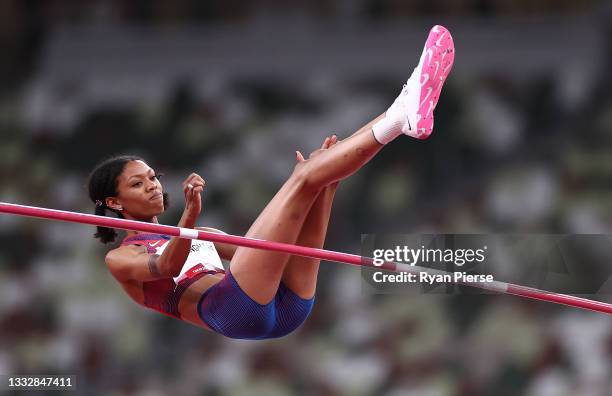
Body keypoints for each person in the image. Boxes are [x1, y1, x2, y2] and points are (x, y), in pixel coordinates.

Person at [86, 25, 455, 339]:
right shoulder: (120, 257)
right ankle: (401, 114)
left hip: (285, 306)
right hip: (231, 310)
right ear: (114, 203)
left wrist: (322, 189)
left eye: (152, 177)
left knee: (319, 174)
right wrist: (189, 218)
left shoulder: (202, 233)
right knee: (306, 176)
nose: (152, 185)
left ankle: (405, 105)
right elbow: (166, 268)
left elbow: (276, 247)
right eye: (138, 184)